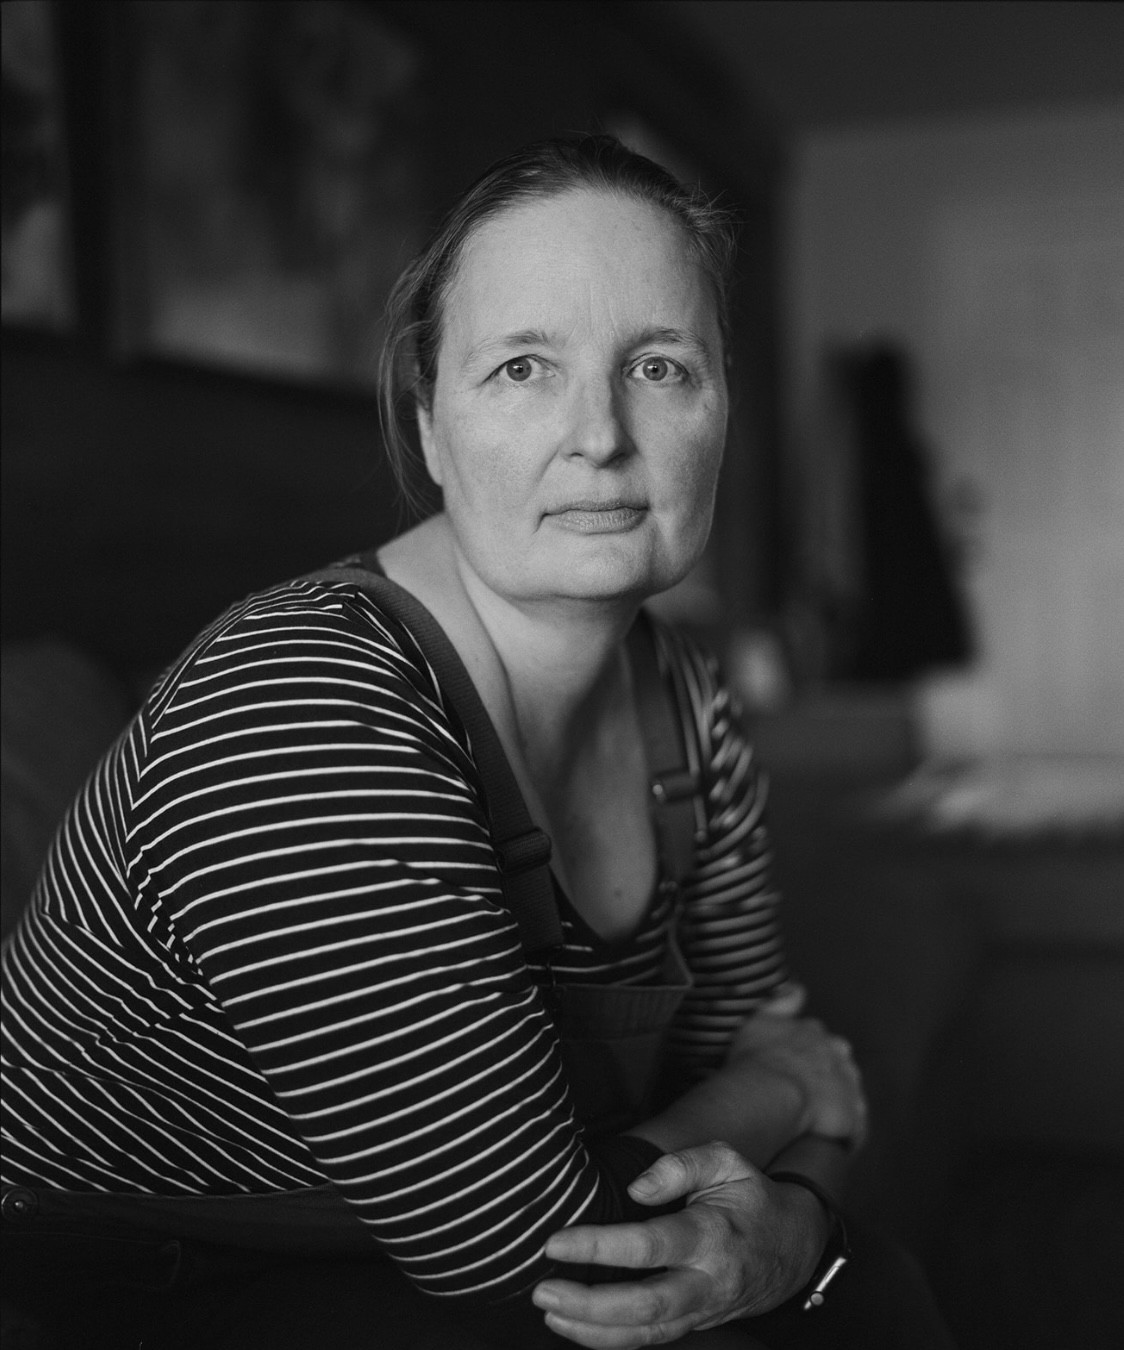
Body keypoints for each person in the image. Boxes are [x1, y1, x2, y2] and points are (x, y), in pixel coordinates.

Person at [1, 135, 951, 1350]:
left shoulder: (686, 701)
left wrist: (799, 1214)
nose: (599, 434)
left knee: (878, 1295)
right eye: (519, 370)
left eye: (658, 366)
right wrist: (781, 1105)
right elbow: (532, 1242)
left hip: (430, 1246)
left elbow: (747, 1029)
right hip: (136, 1272)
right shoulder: (308, 701)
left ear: (721, 411)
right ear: (430, 427)